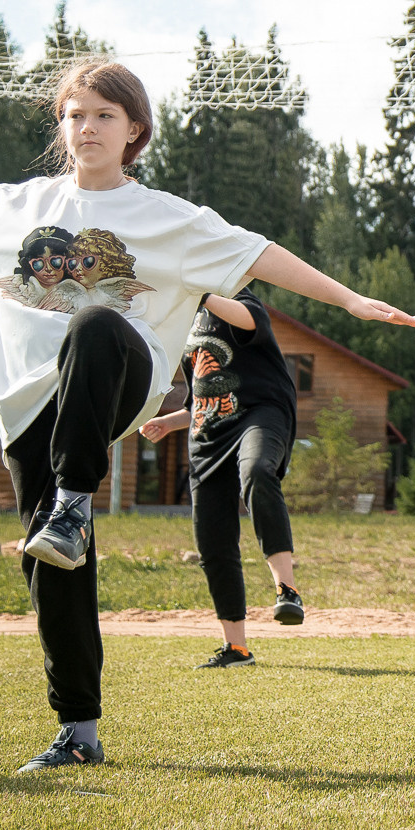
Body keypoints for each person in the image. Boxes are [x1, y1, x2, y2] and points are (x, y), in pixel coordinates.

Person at [0, 59, 415, 772]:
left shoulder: (167, 219)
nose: (86, 126)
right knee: (54, 572)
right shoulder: (14, 207)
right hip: (31, 408)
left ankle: (72, 501)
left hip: (121, 378)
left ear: (134, 132)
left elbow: (262, 253)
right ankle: (79, 732)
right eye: (75, 114)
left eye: (104, 116)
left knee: (93, 323)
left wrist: (350, 301)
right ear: (61, 127)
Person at [135, 285, 307, 669]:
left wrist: (195, 288)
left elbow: (247, 320)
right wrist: (169, 422)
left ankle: (287, 588)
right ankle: (237, 648)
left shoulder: (243, 304)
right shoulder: (190, 326)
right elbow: (200, 400)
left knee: (258, 471)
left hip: (259, 415)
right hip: (208, 435)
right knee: (213, 540)